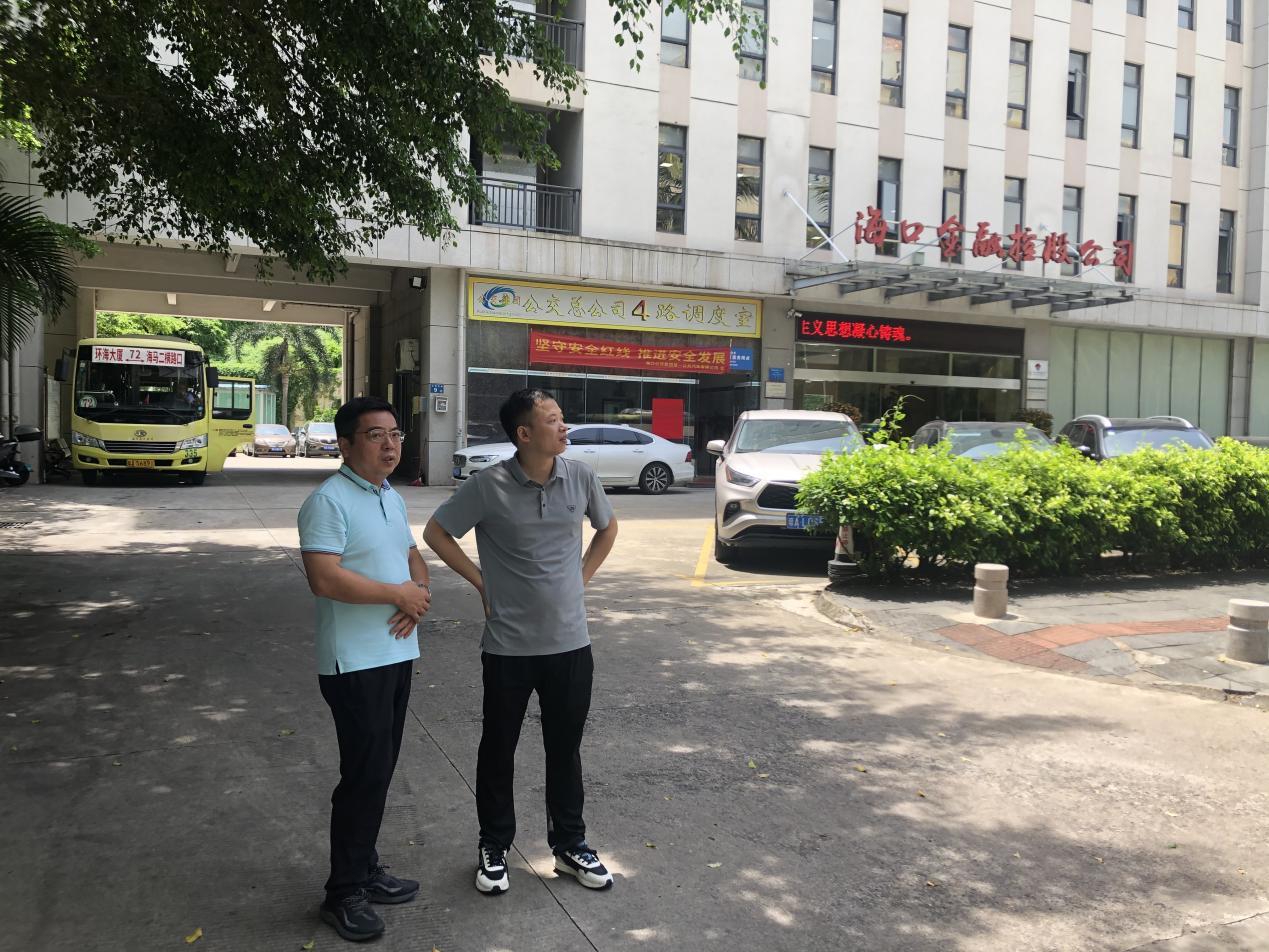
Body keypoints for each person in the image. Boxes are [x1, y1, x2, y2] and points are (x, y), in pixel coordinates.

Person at [423, 389, 619, 895]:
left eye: (562, 418)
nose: (564, 427)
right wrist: (480, 582)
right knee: (498, 747)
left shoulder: (580, 476)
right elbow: (437, 533)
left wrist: (581, 579)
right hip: (508, 647)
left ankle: (570, 845)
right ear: (524, 433)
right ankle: (494, 846)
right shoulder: (487, 486)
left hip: (570, 644)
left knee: (565, 748)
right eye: (553, 420)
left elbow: (607, 528)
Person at [297, 397, 432, 942]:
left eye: (395, 434)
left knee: (380, 770)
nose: (390, 444)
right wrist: (397, 594)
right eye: (376, 435)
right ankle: (344, 892)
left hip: (396, 653)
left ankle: (365, 867)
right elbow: (324, 578)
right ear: (346, 444)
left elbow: (411, 554)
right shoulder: (328, 501)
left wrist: (417, 590)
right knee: (363, 775)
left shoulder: (388, 495)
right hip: (353, 662)